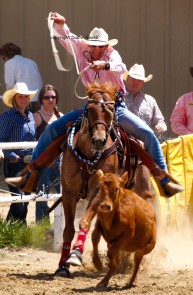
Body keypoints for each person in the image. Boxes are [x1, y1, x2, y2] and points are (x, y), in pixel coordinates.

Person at [5, 12, 183, 198]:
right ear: (88, 44)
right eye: (94, 46)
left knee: (147, 133)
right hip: (91, 107)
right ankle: (29, 174)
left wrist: (104, 65)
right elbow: (67, 38)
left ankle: (164, 180)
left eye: (100, 46)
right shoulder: (81, 48)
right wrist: (60, 25)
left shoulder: (112, 54)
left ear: (106, 46)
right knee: (52, 131)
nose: (97, 49)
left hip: (115, 108)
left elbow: (121, 67)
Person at [0, 82, 37, 223]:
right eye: (20, 96)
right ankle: (14, 228)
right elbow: (0, 140)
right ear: (14, 98)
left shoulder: (31, 116)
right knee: (19, 199)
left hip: (29, 164)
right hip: (14, 164)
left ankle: (16, 228)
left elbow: (33, 138)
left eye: (26, 96)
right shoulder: (8, 117)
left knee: (25, 200)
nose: (23, 99)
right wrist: (12, 157)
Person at [33, 84, 63, 223]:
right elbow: (32, 139)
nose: (50, 100)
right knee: (42, 195)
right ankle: (42, 228)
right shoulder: (37, 116)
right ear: (41, 99)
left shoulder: (61, 116)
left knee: (61, 194)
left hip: (59, 163)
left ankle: (61, 225)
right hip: (43, 163)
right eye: (47, 97)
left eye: (53, 97)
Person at [123, 64, 167, 142]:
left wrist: (161, 126)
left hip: (145, 142)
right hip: (123, 141)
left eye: (139, 80)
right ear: (127, 79)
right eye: (133, 79)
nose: (135, 82)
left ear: (142, 83)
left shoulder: (150, 101)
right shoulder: (117, 98)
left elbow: (160, 121)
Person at [0, 43, 43, 113]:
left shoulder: (9, 63)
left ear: (6, 55)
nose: (4, 60)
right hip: (38, 100)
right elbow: (40, 82)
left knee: (21, 122)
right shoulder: (32, 62)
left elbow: (9, 84)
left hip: (22, 100)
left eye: (3, 58)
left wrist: (10, 100)